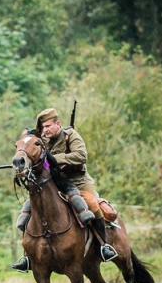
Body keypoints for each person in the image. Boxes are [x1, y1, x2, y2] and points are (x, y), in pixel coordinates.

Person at [13, 108, 117, 272]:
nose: (45, 130)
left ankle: (104, 246)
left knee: (91, 203)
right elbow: (45, 164)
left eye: (48, 126)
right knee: (30, 207)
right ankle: (27, 256)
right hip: (54, 182)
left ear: (57, 124)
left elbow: (81, 156)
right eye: (43, 127)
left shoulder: (71, 135)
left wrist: (53, 159)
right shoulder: (43, 141)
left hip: (79, 180)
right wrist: (31, 164)